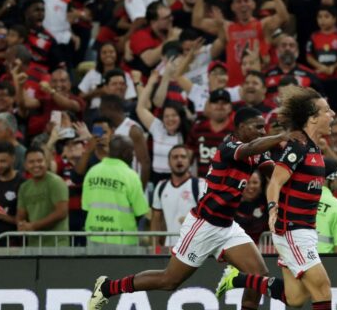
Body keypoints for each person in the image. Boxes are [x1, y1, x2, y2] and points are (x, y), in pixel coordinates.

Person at [87, 107, 294, 310]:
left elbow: (276, 175)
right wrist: (281, 136)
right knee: (169, 280)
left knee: (258, 275)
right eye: (258, 127)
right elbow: (251, 148)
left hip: (227, 227)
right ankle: (107, 288)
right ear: (241, 127)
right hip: (203, 225)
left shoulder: (256, 153)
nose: (262, 131)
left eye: (264, 127)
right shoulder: (230, 147)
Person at [216, 85, 336, 310]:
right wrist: (273, 208)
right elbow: (275, 182)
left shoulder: (314, 148)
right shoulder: (298, 146)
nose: (333, 115)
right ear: (312, 118)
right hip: (292, 230)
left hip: (305, 230)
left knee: (295, 298)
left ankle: (237, 279)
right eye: (327, 111)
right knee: (322, 288)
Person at [81, 135, 149, 246]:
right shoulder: (130, 176)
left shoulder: (92, 172)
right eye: (132, 152)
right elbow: (140, 212)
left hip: (94, 237)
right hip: (123, 239)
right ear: (125, 153)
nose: (133, 155)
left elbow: (85, 208)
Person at [150, 144, 204, 247]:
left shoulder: (200, 185)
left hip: (194, 248)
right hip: (169, 248)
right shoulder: (161, 186)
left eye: (183, 157)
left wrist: (191, 221)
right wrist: (154, 247)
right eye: (175, 157)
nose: (179, 160)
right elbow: (156, 220)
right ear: (168, 162)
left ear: (189, 161)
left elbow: (210, 217)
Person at [16, 147, 69, 247]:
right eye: (31, 162)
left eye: (40, 161)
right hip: (34, 244)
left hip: (57, 244)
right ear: (25, 165)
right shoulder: (24, 187)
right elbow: (21, 215)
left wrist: (33, 226)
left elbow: (62, 212)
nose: (36, 165)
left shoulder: (56, 182)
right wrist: (21, 225)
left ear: (46, 162)